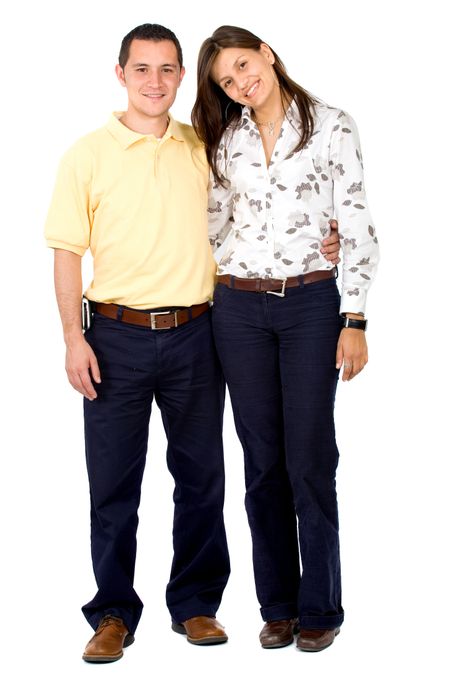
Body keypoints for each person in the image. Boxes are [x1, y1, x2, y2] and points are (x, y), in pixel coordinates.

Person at [45, 23, 340, 663]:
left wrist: (329, 236)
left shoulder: (206, 144)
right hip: (115, 336)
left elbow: (259, 209)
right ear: (120, 74)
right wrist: (74, 338)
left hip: (199, 334)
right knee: (113, 486)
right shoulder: (87, 155)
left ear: (182, 77)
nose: (155, 81)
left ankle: (197, 605)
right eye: (142, 68)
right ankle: (113, 613)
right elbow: (67, 252)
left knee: (203, 478)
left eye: (168, 69)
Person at [192, 25, 379, 652]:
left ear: (267, 53)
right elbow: (212, 224)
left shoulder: (332, 124)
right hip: (238, 311)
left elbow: (355, 225)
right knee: (261, 461)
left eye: (245, 65)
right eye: (227, 80)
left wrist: (353, 318)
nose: (242, 82)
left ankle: (321, 606)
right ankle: (277, 605)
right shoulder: (227, 141)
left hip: (310, 306)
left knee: (309, 457)